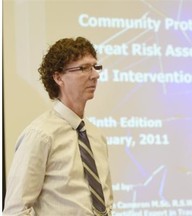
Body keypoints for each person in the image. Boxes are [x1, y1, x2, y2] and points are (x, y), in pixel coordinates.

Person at [3, 37, 114, 215]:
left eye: (95, 67)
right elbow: (16, 210)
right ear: (58, 77)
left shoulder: (96, 136)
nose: (95, 75)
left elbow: (106, 203)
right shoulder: (40, 135)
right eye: (84, 68)